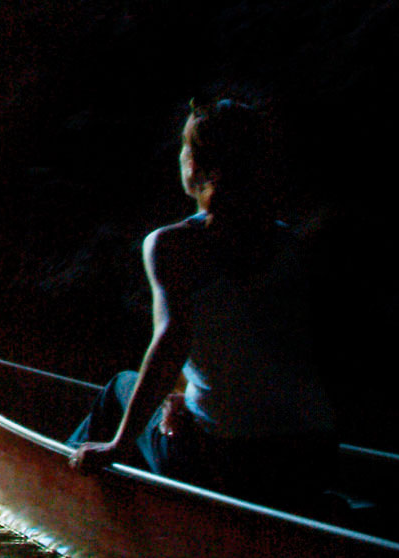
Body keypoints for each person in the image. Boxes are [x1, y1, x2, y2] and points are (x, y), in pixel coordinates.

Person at [68, 99, 336, 509]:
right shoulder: (289, 244)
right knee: (166, 406)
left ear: (194, 165)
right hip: (315, 456)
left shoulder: (172, 245)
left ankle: (67, 494)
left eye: (183, 147)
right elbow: (249, 348)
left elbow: (171, 340)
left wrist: (120, 444)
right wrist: (182, 397)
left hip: (233, 464)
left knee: (119, 388)